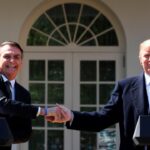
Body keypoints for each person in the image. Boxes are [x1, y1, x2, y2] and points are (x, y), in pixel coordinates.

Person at [46, 39, 150, 150]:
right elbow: (101, 119)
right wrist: (71, 116)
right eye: (147, 56)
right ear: (140, 59)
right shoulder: (125, 87)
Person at [0, 41, 50, 150]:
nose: (12, 61)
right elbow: (3, 105)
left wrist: (5, 136)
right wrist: (42, 111)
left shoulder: (23, 93)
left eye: (17, 57)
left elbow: (25, 133)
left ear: (21, 62)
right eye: (7, 56)